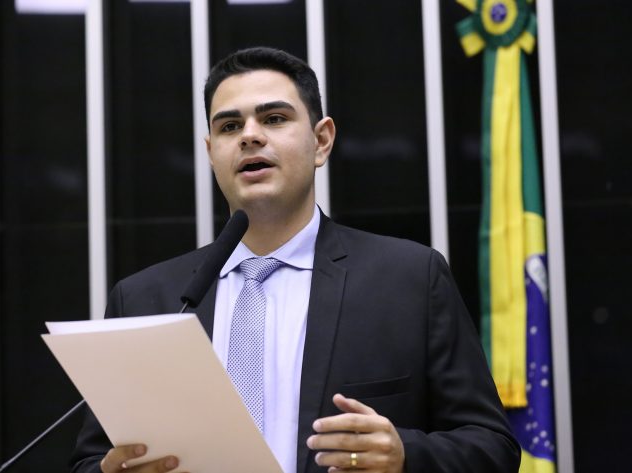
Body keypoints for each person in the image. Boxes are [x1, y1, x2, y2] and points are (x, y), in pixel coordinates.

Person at [71, 47, 520, 473]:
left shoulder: (410, 279)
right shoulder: (145, 299)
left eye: (274, 118)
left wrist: (405, 455)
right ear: (211, 153)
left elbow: (492, 447)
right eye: (229, 127)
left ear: (321, 141)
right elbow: (92, 460)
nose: (249, 135)